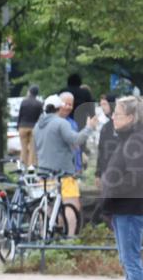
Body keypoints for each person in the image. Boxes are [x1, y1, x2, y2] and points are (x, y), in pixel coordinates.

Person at [101, 96, 143, 280]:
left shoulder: (136, 140)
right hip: (123, 207)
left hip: (130, 207)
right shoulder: (127, 139)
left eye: (117, 114)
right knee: (128, 258)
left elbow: (137, 176)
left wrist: (114, 189)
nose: (113, 117)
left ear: (130, 117)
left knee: (131, 257)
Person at [33, 93, 99, 235]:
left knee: (47, 207)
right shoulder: (61, 123)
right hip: (63, 174)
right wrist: (89, 127)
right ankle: (70, 241)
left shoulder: (37, 126)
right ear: (58, 107)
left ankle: (44, 238)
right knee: (71, 205)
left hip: (44, 174)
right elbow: (75, 140)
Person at [95, 94, 119, 189]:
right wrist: (98, 174)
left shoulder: (123, 125)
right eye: (101, 105)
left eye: (105, 104)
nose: (102, 108)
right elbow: (101, 150)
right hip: (106, 172)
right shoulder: (106, 127)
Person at [17, 85, 43, 167]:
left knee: (23, 147)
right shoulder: (39, 104)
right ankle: (31, 166)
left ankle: (22, 165)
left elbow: (20, 115)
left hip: (23, 126)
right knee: (32, 148)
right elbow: (40, 117)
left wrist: (18, 125)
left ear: (29, 92)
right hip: (34, 127)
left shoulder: (24, 102)